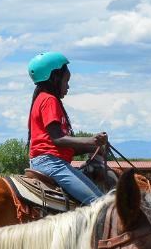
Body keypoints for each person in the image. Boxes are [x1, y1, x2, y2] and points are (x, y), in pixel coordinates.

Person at [26, 52, 109, 205]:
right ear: (54, 78)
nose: (68, 86)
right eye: (66, 80)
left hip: (49, 161)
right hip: (51, 163)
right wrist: (92, 140)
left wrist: (93, 147)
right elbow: (58, 139)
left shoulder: (43, 99)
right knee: (100, 203)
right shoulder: (49, 100)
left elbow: (63, 146)